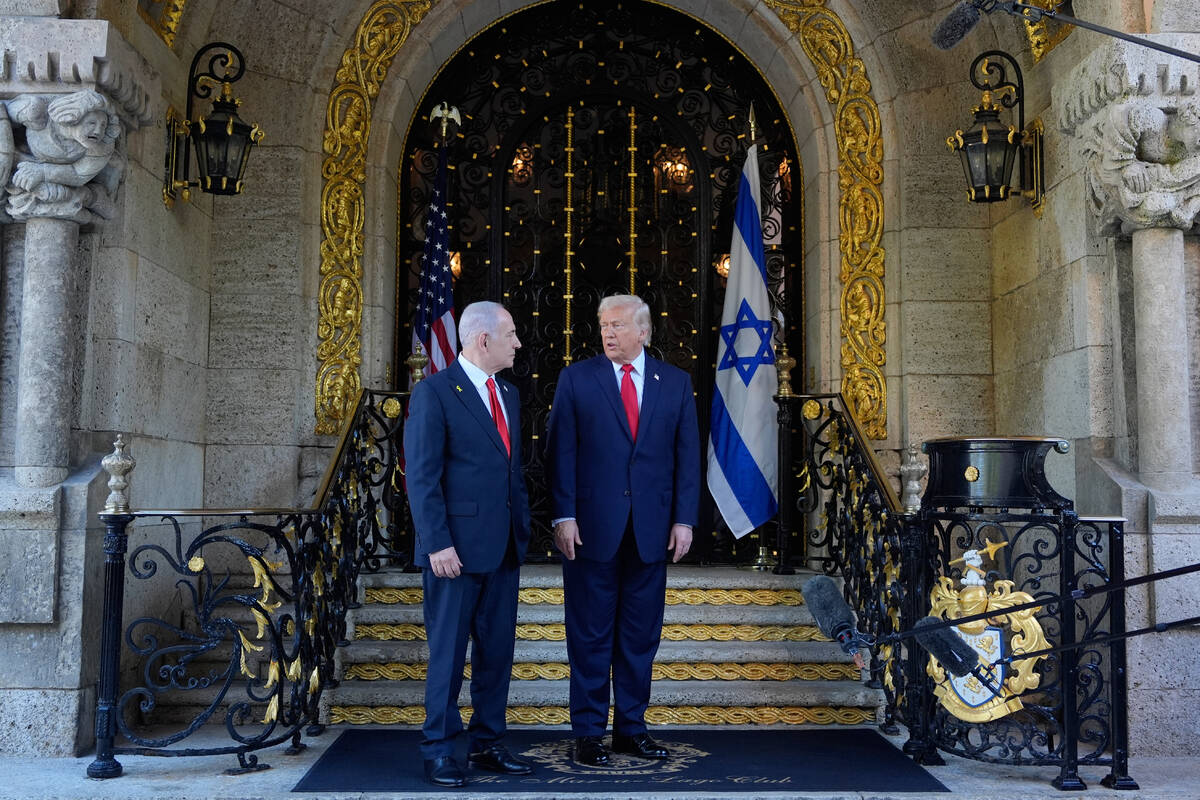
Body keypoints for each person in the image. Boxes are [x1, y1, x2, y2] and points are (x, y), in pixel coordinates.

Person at [546, 293, 701, 766]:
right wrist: (563, 515)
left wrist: (684, 519)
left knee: (639, 638)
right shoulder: (577, 379)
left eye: (617, 325)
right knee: (589, 636)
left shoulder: (675, 383)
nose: (608, 333)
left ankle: (631, 730)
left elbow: (687, 457)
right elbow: (560, 452)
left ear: (644, 332)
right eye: (603, 325)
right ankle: (589, 733)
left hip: (651, 532)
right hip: (591, 530)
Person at [404, 300, 534, 787]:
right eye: (511, 334)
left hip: (502, 549)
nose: (517, 343)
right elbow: (422, 477)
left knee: (496, 655)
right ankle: (439, 749)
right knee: (448, 655)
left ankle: (488, 744)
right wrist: (436, 543)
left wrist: (521, 530)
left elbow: (509, 472)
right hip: (453, 553)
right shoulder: (434, 392)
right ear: (484, 339)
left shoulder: (508, 394)